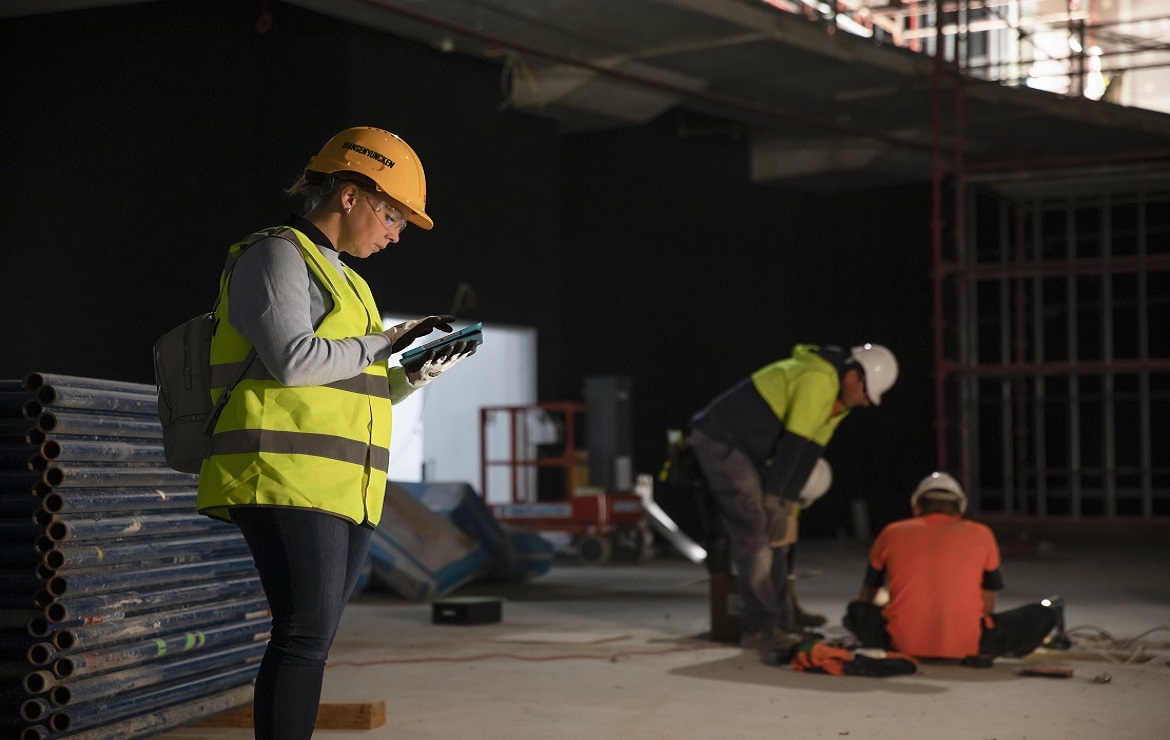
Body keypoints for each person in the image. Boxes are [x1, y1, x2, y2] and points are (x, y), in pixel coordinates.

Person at [195, 126, 476, 739]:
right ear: (349, 194)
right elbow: (294, 361)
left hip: (344, 486)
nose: (395, 234)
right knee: (302, 634)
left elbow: (347, 384)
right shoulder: (274, 256)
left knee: (312, 637)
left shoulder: (350, 281)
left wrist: (409, 375)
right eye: (390, 215)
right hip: (283, 474)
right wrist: (385, 341)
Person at [687, 343, 898, 653]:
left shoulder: (840, 403)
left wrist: (787, 507)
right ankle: (760, 628)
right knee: (755, 533)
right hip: (722, 441)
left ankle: (783, 621)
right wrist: (775, 498)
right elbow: (793, 445)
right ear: (854, 376)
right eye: (867, 394)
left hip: (751, 450)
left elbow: (809, 453)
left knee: (779, 534)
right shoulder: (818, 380)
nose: (866, 403)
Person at [843, 472, 1061, 664]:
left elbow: (867, 595)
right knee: (1042, 613)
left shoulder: (892, 532)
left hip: (901, 644)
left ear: (917, 505)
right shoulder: (982, 533)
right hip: (969, 646)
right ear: (960, 507)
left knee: (855, 611)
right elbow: (988, 605)